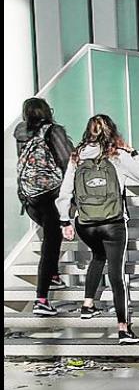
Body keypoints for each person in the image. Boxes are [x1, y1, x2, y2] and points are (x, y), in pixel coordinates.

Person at [55, 114, 139, 344]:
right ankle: (123, 329)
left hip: (85, 224)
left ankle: (87, 304)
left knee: (98, 255)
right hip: (113, 223)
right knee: (117, 274)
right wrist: (133, 152)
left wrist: (64, 221)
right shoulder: (117, 154)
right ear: (112, 131)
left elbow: (65, 192)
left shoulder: (76, 156)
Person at [14, 97, 75, 317]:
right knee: (51, 245)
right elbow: (68, 160)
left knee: (52, 237)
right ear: (47, 111)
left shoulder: (21, 133)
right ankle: (41, 299)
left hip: (29, 199)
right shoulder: (53, 131)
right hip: (51, 196)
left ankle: (53, 275)